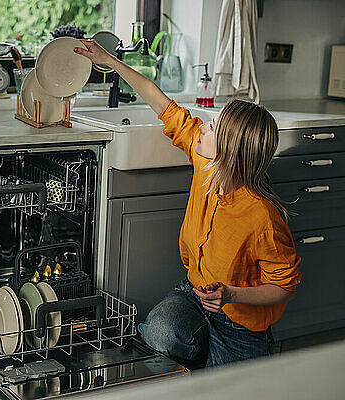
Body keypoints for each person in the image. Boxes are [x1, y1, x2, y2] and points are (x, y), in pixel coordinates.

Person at [74, 40, 302, 369]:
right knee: (161, 333)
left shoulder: (261, 215)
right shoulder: (204, 158)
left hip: (242, 327)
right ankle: (198, 356)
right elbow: (162, 103)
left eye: (214, 127)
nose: (203, 126)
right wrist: (108, 59)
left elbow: (284, 286)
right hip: (194, 295)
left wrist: (231, 294)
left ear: (229, 151)